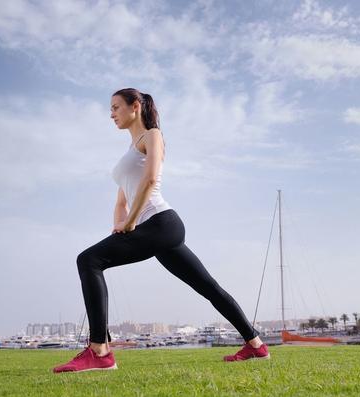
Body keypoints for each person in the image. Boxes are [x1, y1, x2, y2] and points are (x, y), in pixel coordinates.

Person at [53, 88, 270, 373]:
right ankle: (256, 345)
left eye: (116, 107)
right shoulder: (129, 153)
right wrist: (120, 224)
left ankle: (100, 351)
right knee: (209, 288)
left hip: (161, 222)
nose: (111, 113)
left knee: (89, 260)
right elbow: (121, 199)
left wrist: (130, 222)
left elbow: (151, 178)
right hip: (152, 228)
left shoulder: (152, 135)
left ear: (135, 107)